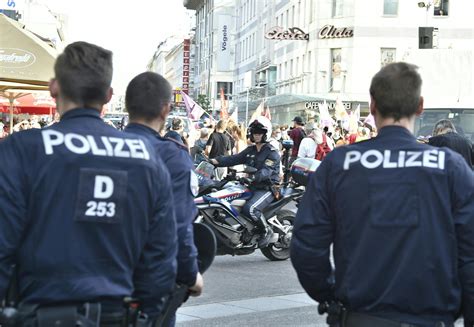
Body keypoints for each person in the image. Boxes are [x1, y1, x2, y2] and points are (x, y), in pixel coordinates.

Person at [0, 42, 178, 326]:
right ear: (108, 96)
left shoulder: (22, 149)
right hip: (116, 315)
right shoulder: (146, 158)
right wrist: (146, 313)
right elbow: (161, 257)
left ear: (54, 87)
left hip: (36, 313)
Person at [291, 62, 474, 327]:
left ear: (373, 105)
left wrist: (330, 296)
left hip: (359, 316)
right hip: (430, 317)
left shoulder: (340, 163)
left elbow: (307, 245)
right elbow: (470, 253)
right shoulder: (450, 166)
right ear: (420, 106)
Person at [124, 72, 203, 326]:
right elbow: (179, 225)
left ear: (127, 105)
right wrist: (191, 276)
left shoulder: (104, 147)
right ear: (166, 109)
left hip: (100, 276)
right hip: (150, 280)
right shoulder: (172, 156)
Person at [210, 116, 280, 248]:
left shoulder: (272, 153)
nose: (256, 135)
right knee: (226, 201)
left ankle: (266, 231)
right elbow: (233, 159)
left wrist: (252, 178)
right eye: (254, 132)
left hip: (267, 188)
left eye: (259, 132)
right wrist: (214, 161)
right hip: (251, 186)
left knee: (251, 209)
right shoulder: (251, 150)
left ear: (266, 133)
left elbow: (266, 172)